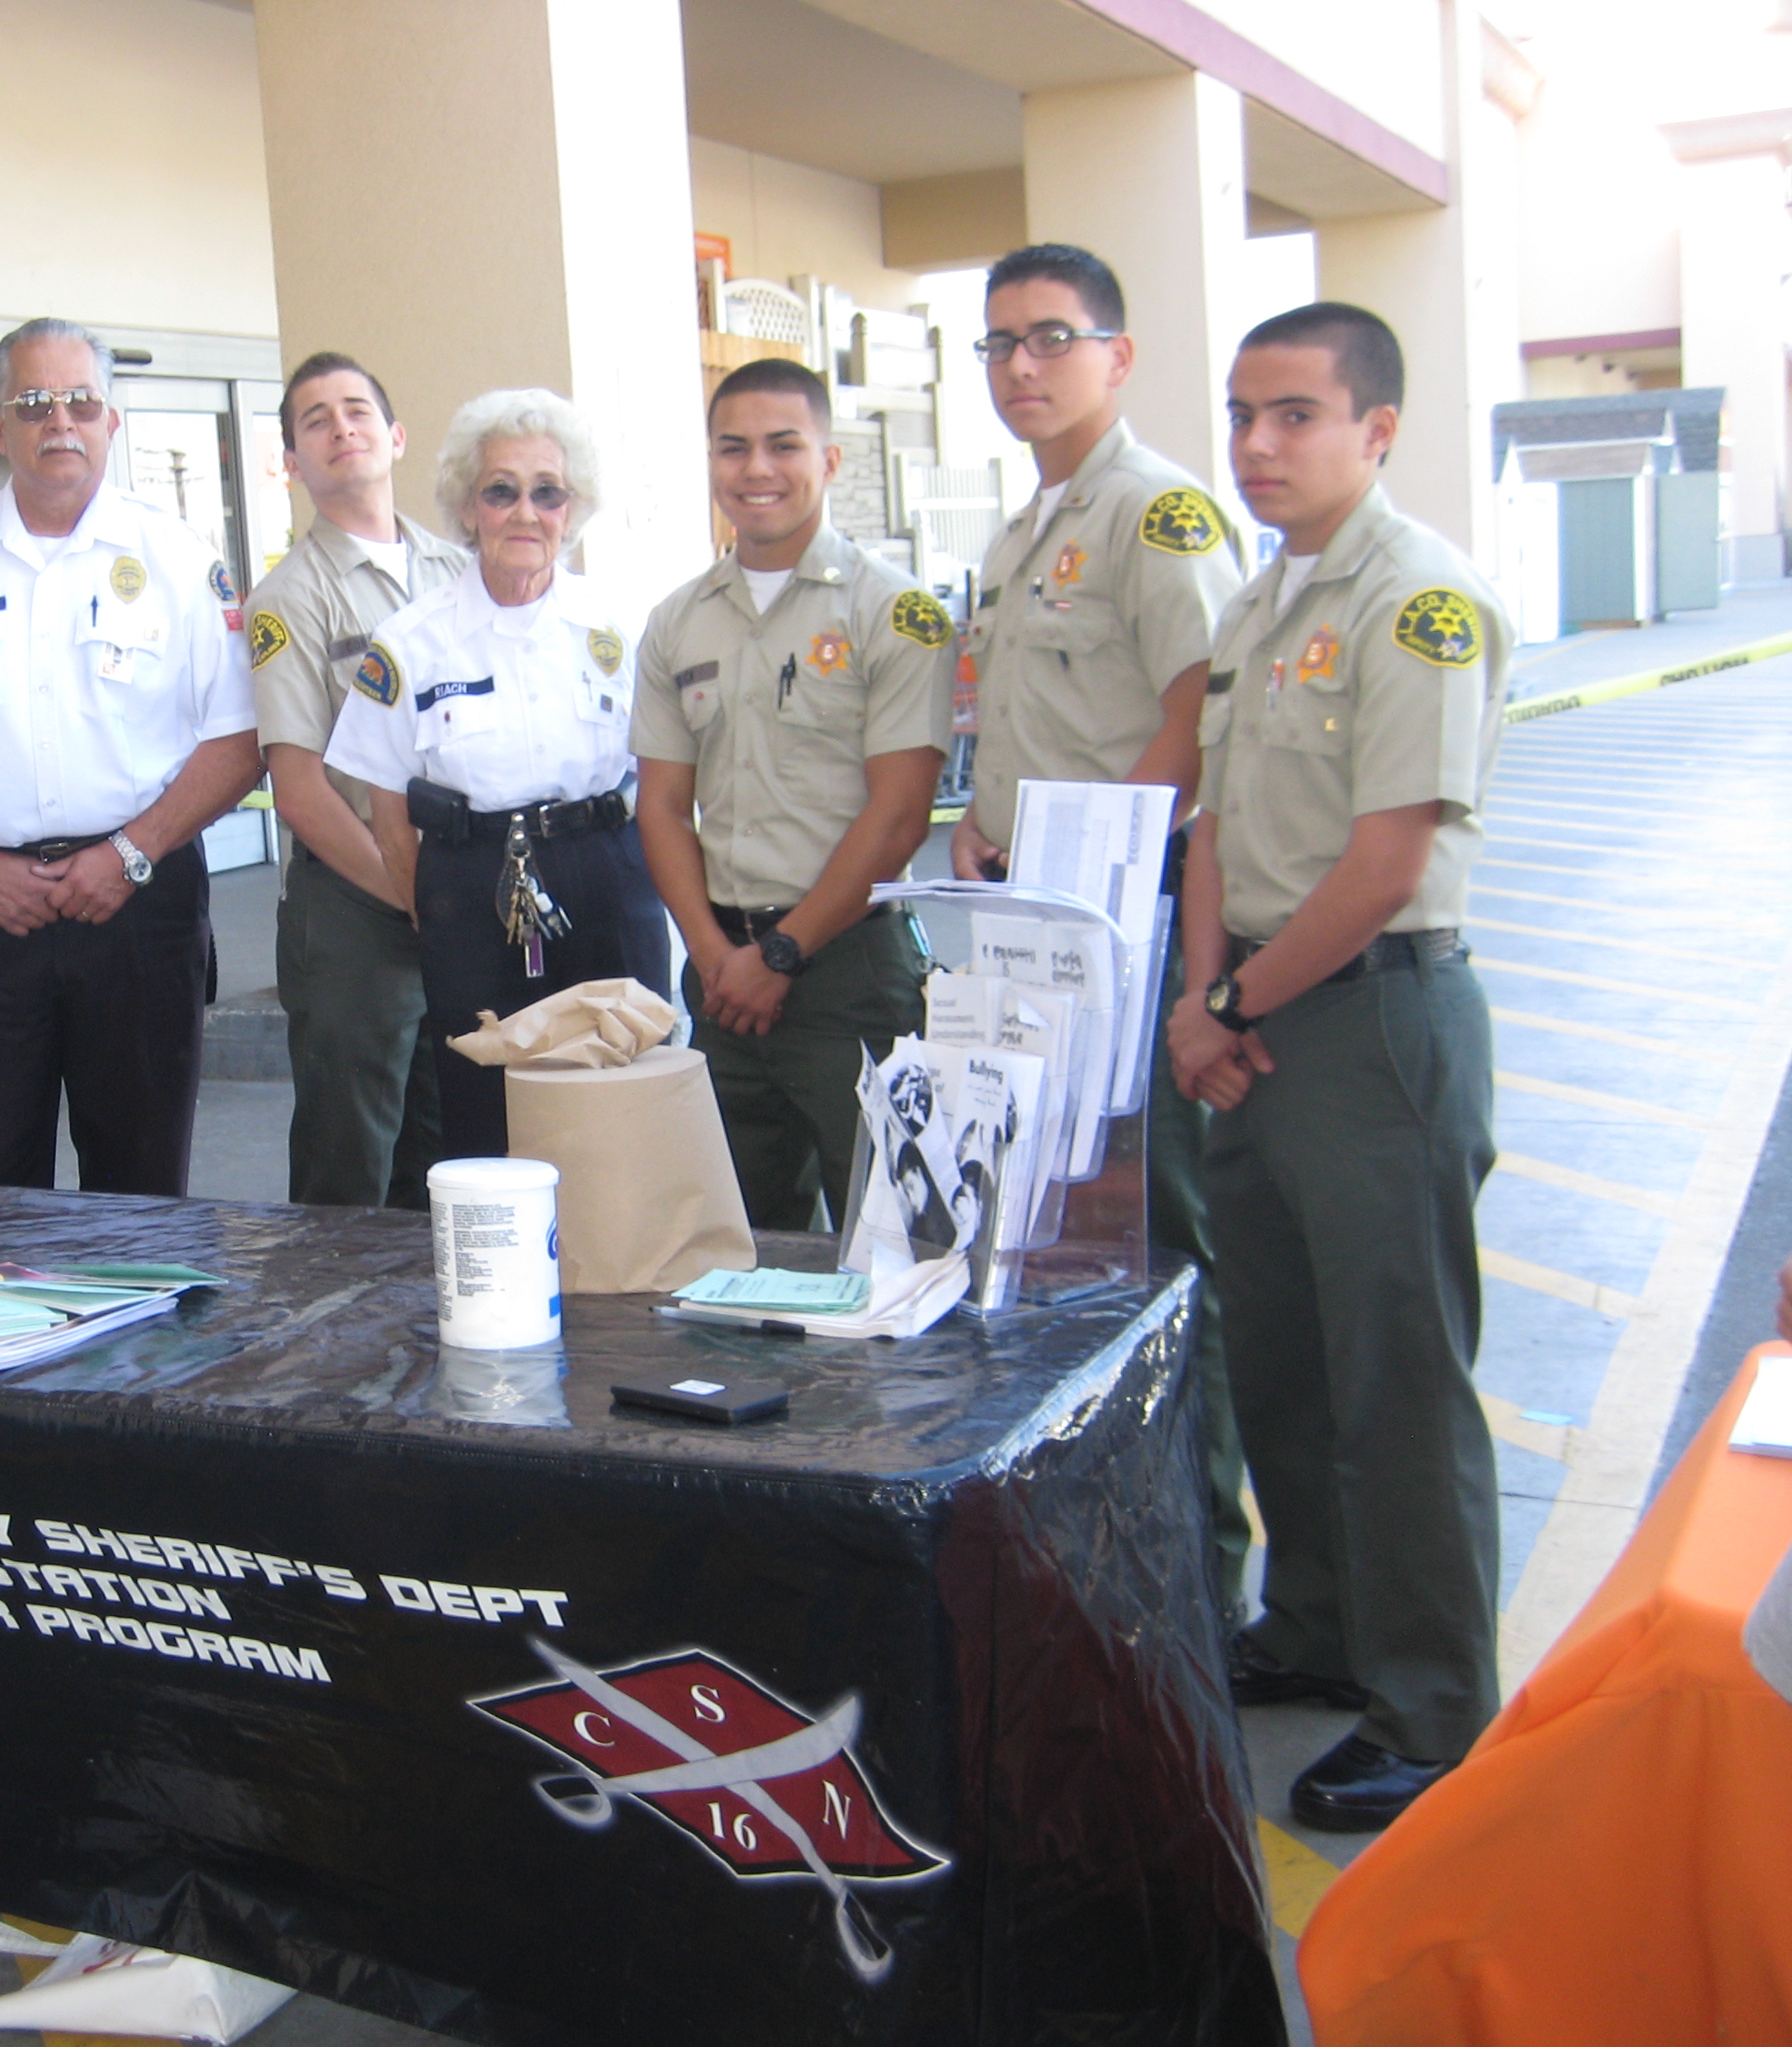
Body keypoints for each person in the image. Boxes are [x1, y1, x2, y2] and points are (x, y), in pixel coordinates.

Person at [1167, 301, 1507, 1835]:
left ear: (1375, 428)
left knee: (1396, 1378)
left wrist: (1226, 995)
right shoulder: (1258, 602)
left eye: (1293, 413)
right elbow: (1214, 829)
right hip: (1254, 1021)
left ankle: (1432, 1706)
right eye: (1242, 411)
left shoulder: (1416, 599)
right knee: (1287, 1360)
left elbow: (1383, 861)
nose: (1256, 443)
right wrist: (1201, 1000)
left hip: (1371, 1023)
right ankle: (1310, 1627)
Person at [956, 243, 1253, 1624]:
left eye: (1052, 338)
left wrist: (1096, 857)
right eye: (1000, 342)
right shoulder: (1024, 530)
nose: (1022, 366)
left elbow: (1200, 708)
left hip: (1125, 924)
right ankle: (1104, 1523)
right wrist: (983, 826)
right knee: (1061, 1229)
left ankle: (1200, 1546)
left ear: (1117, 358)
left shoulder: (1160, 515)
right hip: (1031, 922)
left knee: (1162, 1236)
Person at [0, 317, 261, 1196]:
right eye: (32, 402)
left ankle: (135, 1338)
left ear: (112, 421)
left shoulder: (177, 560)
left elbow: (238, 742)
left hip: (140, 904)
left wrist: (130, 854)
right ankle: (1, 1335)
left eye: (80, 401)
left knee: (140, 1192)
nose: (58, 420)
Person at [634, 357, 948, 1229]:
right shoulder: (678, 620)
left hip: (848, 972)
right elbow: (660, 805)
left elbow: (899, 815)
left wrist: (781, 955)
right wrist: (713, 957)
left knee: (889, 1233)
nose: (757, 469)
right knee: (741, 1245)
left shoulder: (893, 612)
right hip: (723, 976)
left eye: (784, 445)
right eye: (733, 449)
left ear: (831, 460)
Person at [323, 388, 669, 1160]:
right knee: (486, 1111)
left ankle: (625, 1270)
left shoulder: (622, 628)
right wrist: (443, 912)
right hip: (473, 891)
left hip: (607, 874)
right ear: (467, 506)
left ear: (572, 508)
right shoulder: (411, 642)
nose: (525, 513)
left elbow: (664, 783)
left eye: (547, 493)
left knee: (628, 1092)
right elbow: (386, 808)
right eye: (501, 491)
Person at [247, 354, 466, 1208]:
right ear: (293, 463)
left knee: (451, 1152)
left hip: (457, 898)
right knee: (352, 1160)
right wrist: (410, 893)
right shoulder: (290, 598)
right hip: (357, 904)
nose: (341, 428)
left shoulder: (460, 573)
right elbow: (300, 792)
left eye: (357, 411)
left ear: (396, 436)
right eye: (314, 420)